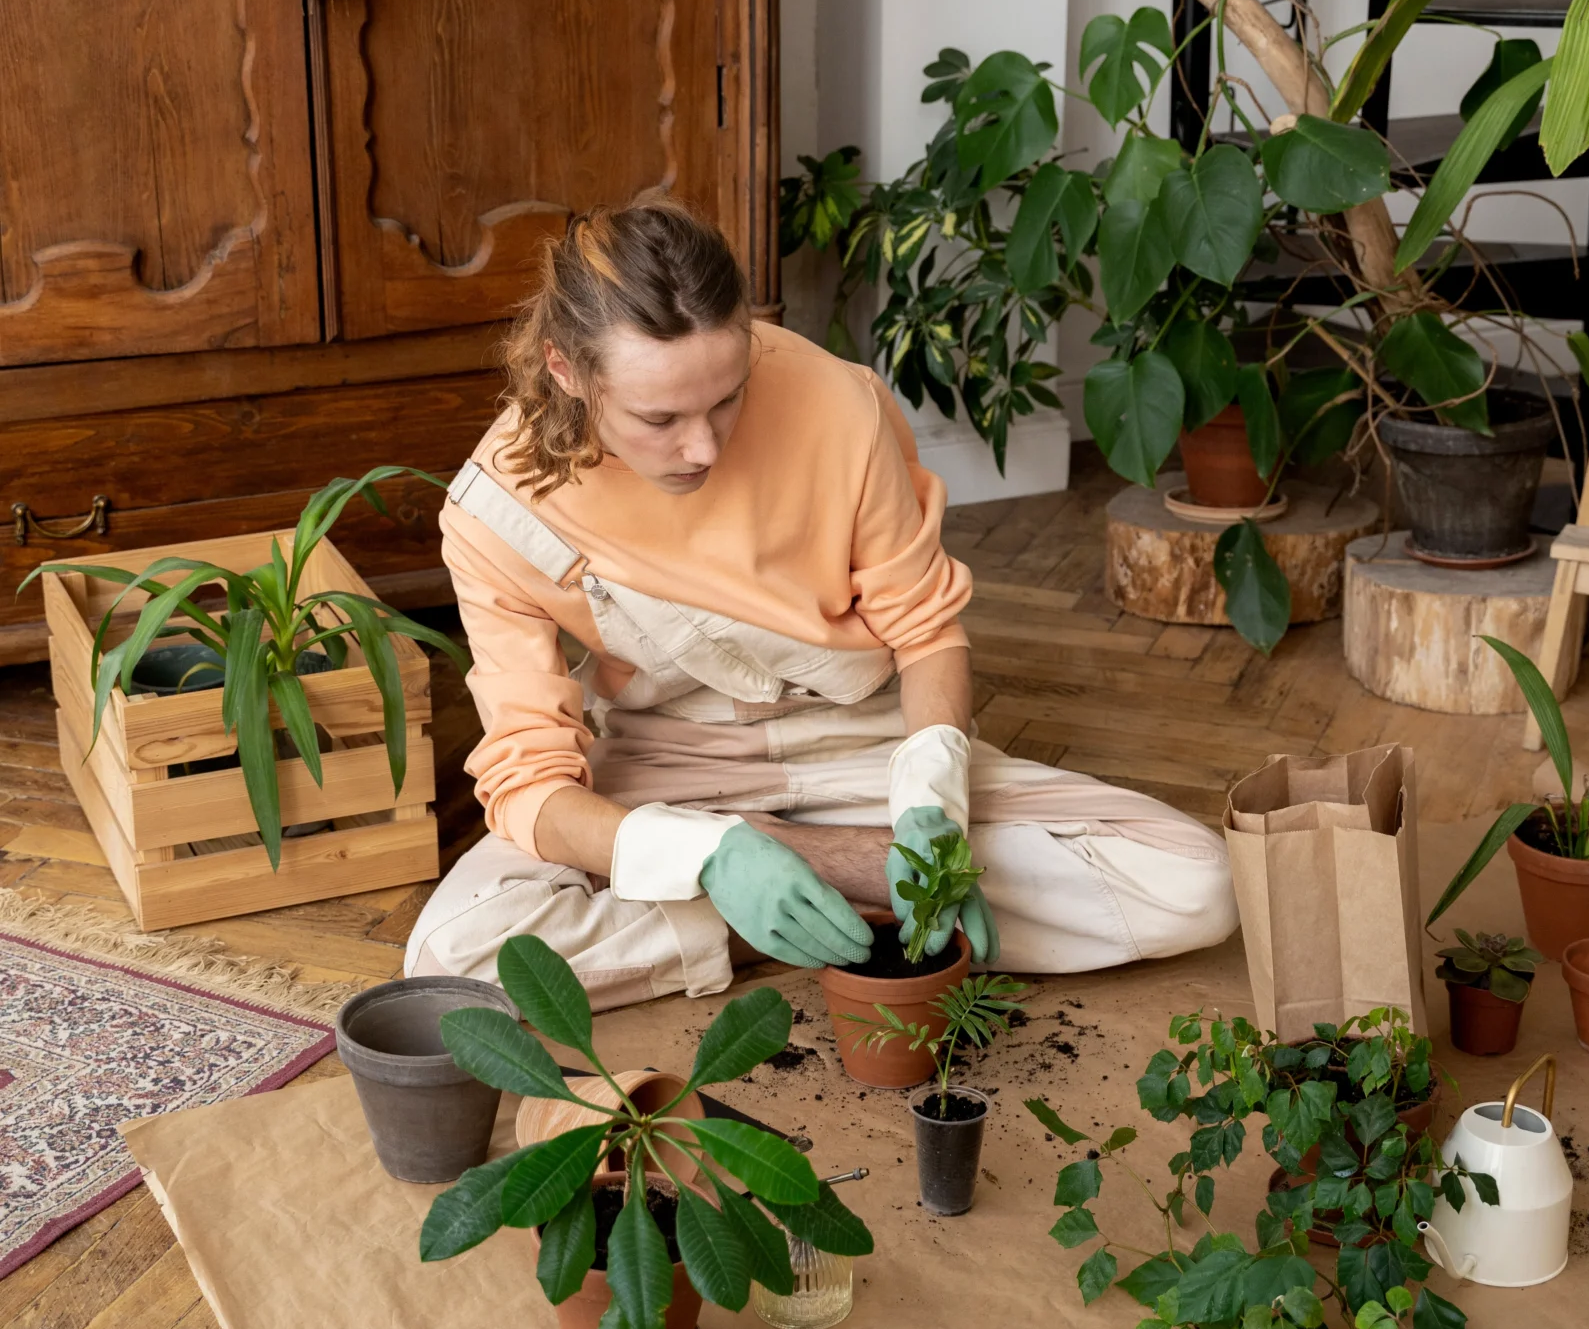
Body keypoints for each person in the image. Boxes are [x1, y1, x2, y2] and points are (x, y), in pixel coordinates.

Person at [405, 201, 1237, 1007]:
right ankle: (846, 888)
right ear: (565, 369)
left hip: (861, 740)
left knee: (1194, 884)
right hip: (672, 765)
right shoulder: (496, 511)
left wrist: (930, 808)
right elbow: (528, 782)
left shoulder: (835, 398)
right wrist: (710, 854)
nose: (703, 447)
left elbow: (925, 633)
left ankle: (798, 900)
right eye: (658, 418)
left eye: (726, 398)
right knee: (453, 960)